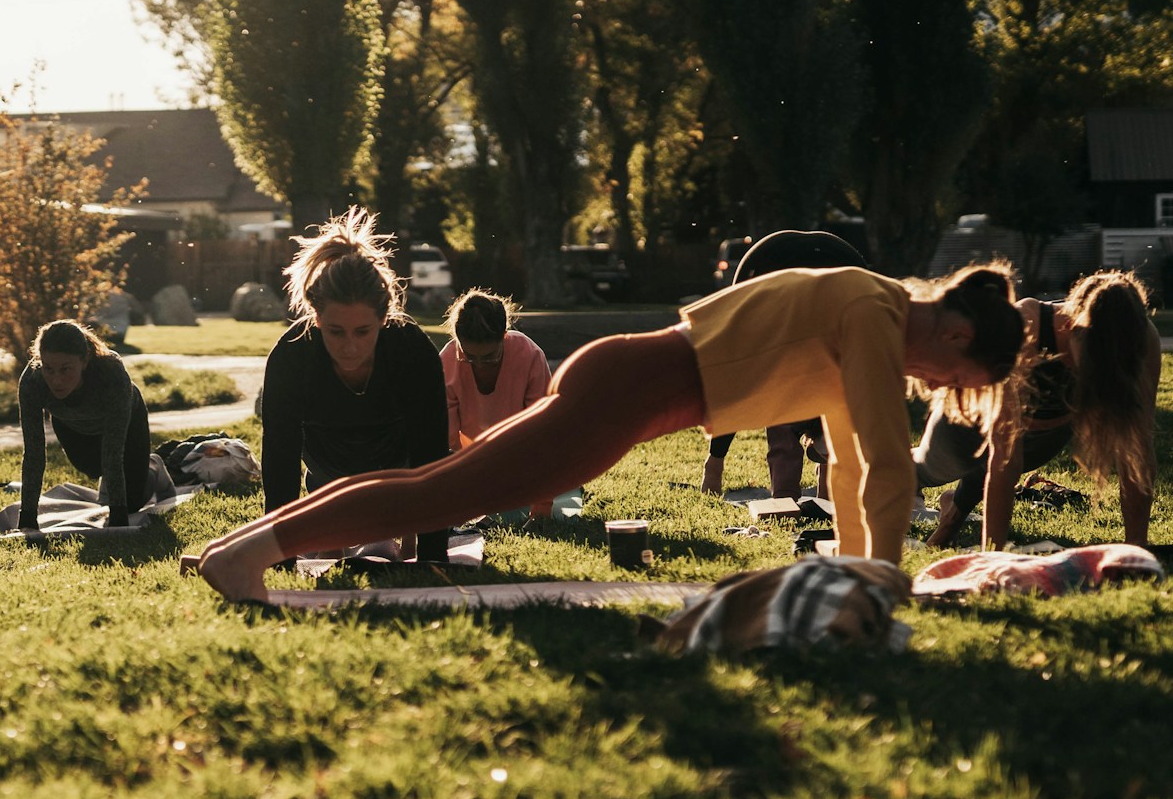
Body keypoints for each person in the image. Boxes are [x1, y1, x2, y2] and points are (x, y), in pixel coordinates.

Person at [199, 264, 1025, 600]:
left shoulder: (869, 305)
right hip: (629, 388)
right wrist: (879, 583)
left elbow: (850, 461)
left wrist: (854, 574)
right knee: (450, 488)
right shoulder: (873, 311)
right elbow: (885, 460)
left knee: (446, 484)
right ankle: (251, 554)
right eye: (960, 382)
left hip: (629, 388)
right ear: (955, 337)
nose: (942, 391)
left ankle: (247, 545)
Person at [918, 268, 1160, 549]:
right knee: (929, 468)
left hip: (1045, 432)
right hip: (968, 419)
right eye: (1095, 356)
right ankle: (902, 479)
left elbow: (1137, 450)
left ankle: (951, 515)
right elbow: (1004, 456)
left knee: (987, 472)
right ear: (1073, 326)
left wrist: (1136, 545)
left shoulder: (1143, 338)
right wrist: (993, 555)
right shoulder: (1027, 326)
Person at [259, 207, 450, 561]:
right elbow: (280, 461)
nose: (350, 346)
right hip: (327, 461)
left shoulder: (411, 350)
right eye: (335, 332)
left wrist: (433, 556)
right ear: (316, 319)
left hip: (398, 460)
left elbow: (432, 455)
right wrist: (281, 558)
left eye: (363, 332)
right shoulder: (291, 357)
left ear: (384, 318)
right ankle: (335, 523)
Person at [699, 229, 870, 498]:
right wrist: (716, 461)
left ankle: (825, 495)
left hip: (830, 280)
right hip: (771, 280)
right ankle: (783, 496)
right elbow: (735, 392)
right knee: (781, 422)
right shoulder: (770, 345)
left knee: (831, 416)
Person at [17, 319, 152, 529]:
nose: (56, 380)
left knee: (133, 502)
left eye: (65, 369)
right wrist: (27, 517)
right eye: (49, 368)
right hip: (72, 425)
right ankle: (113, 482)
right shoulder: (32, 381)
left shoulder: (111, 372)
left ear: (85, 361)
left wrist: (118, 517)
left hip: (127, 422)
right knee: (92, 468)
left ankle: (155, 466)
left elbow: (113, 452)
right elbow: (33, 453)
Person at [441, 289, 549, 450]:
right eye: (469, 356)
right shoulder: (447, 362)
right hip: (468, 455)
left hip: (523, 449)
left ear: (504, 336)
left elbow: (542, 420)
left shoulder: (529, 355)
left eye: (489, 357)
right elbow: (447, 434)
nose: (479, 364)